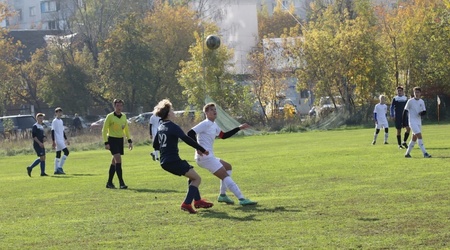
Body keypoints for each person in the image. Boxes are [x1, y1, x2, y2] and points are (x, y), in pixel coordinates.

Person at [187, 102, 257, 206]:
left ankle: (222, 195)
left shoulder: (214, 125)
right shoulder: (205, 123)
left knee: (228, 167)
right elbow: (190, 133)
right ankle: (242, 199)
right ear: (206, 112)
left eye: (215, 109)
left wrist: (239, 128)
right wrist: (198, 148)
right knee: (224, 175)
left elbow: (223, 135)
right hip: (205, 157)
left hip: (209, 156)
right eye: (211, 110)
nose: (214, 111)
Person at [152, 99, 213, 214]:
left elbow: (155, 144)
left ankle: (198, 201)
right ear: (168, 113)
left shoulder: (161, 126)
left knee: (191, 175)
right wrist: (202, 149)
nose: (174, 112)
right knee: (197, 179)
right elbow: (186, 139)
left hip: (165, 161)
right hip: (172, 160)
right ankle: (187, 203)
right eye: (172, 110)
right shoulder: (172, 126)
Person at [102, 99, 133, 189]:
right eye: (117, 106)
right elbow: (104, 130)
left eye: (121, 106)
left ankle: (109, 183)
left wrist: (129, 140)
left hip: (120, 140)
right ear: (114, 106)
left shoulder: (123, 116)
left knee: (114, 162)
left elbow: (126, 129)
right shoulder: (110, 116)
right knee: (118, 159)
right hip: (112, 140)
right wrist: (106, 142)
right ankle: (121, 183)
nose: (119, 108)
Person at [403, 87, 431, 158]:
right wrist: (404, 122)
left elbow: (424, 111)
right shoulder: (410, 101)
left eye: (418, 92)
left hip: (418, 122)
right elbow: (405, 111)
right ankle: (425, 153)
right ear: (413, 93)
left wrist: (422, 113)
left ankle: (407, 153)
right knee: (419, 136)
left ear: (420, 93)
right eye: (415, 92)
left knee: (414, 138)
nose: (416, 94)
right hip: (412, 122)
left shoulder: (422, 101)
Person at [52, 107, 70, 175]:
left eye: (60, 112)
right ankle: (59, 168)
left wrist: (66, 139)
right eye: (58, 112)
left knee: (58, 155)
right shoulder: (54, 121)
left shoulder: (61, 121)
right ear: (56, 113)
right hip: (58, 140)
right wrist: (53, 141)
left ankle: (56, 170)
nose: (59, 113)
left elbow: (62, 131)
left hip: (61, 139)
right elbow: (52, 131)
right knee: (66, 152)